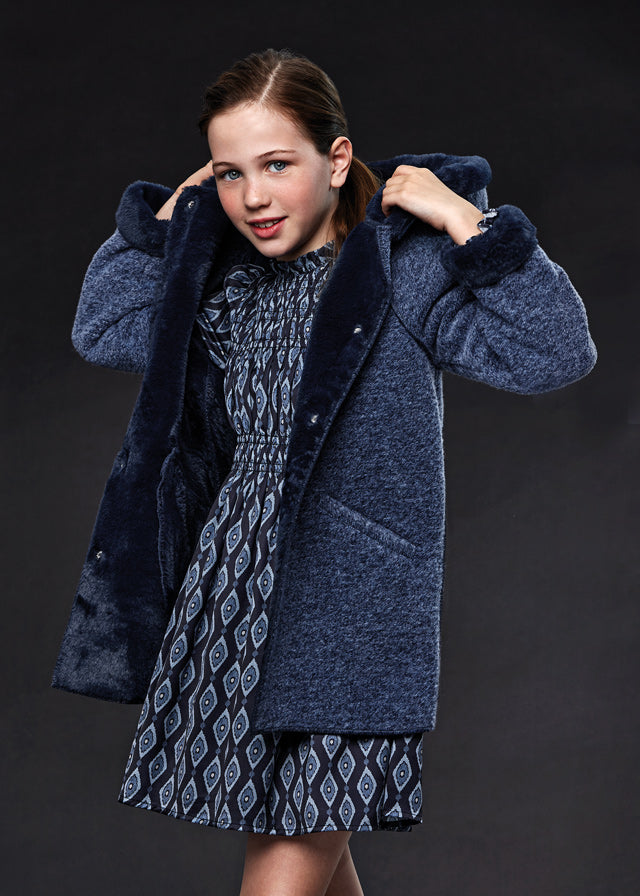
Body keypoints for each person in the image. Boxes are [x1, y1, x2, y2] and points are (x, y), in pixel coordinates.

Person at [51, 48, 597, 895]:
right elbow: (103, 327)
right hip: (233, 609)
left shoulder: (399, 271)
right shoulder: (229, 284)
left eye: (277, 164)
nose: (252, 198)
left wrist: (466, 221)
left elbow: (555, 351)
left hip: (350, 626)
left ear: (337, 160)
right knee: (311, 863)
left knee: (284, 867)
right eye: (230, 174)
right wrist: (168, 219)